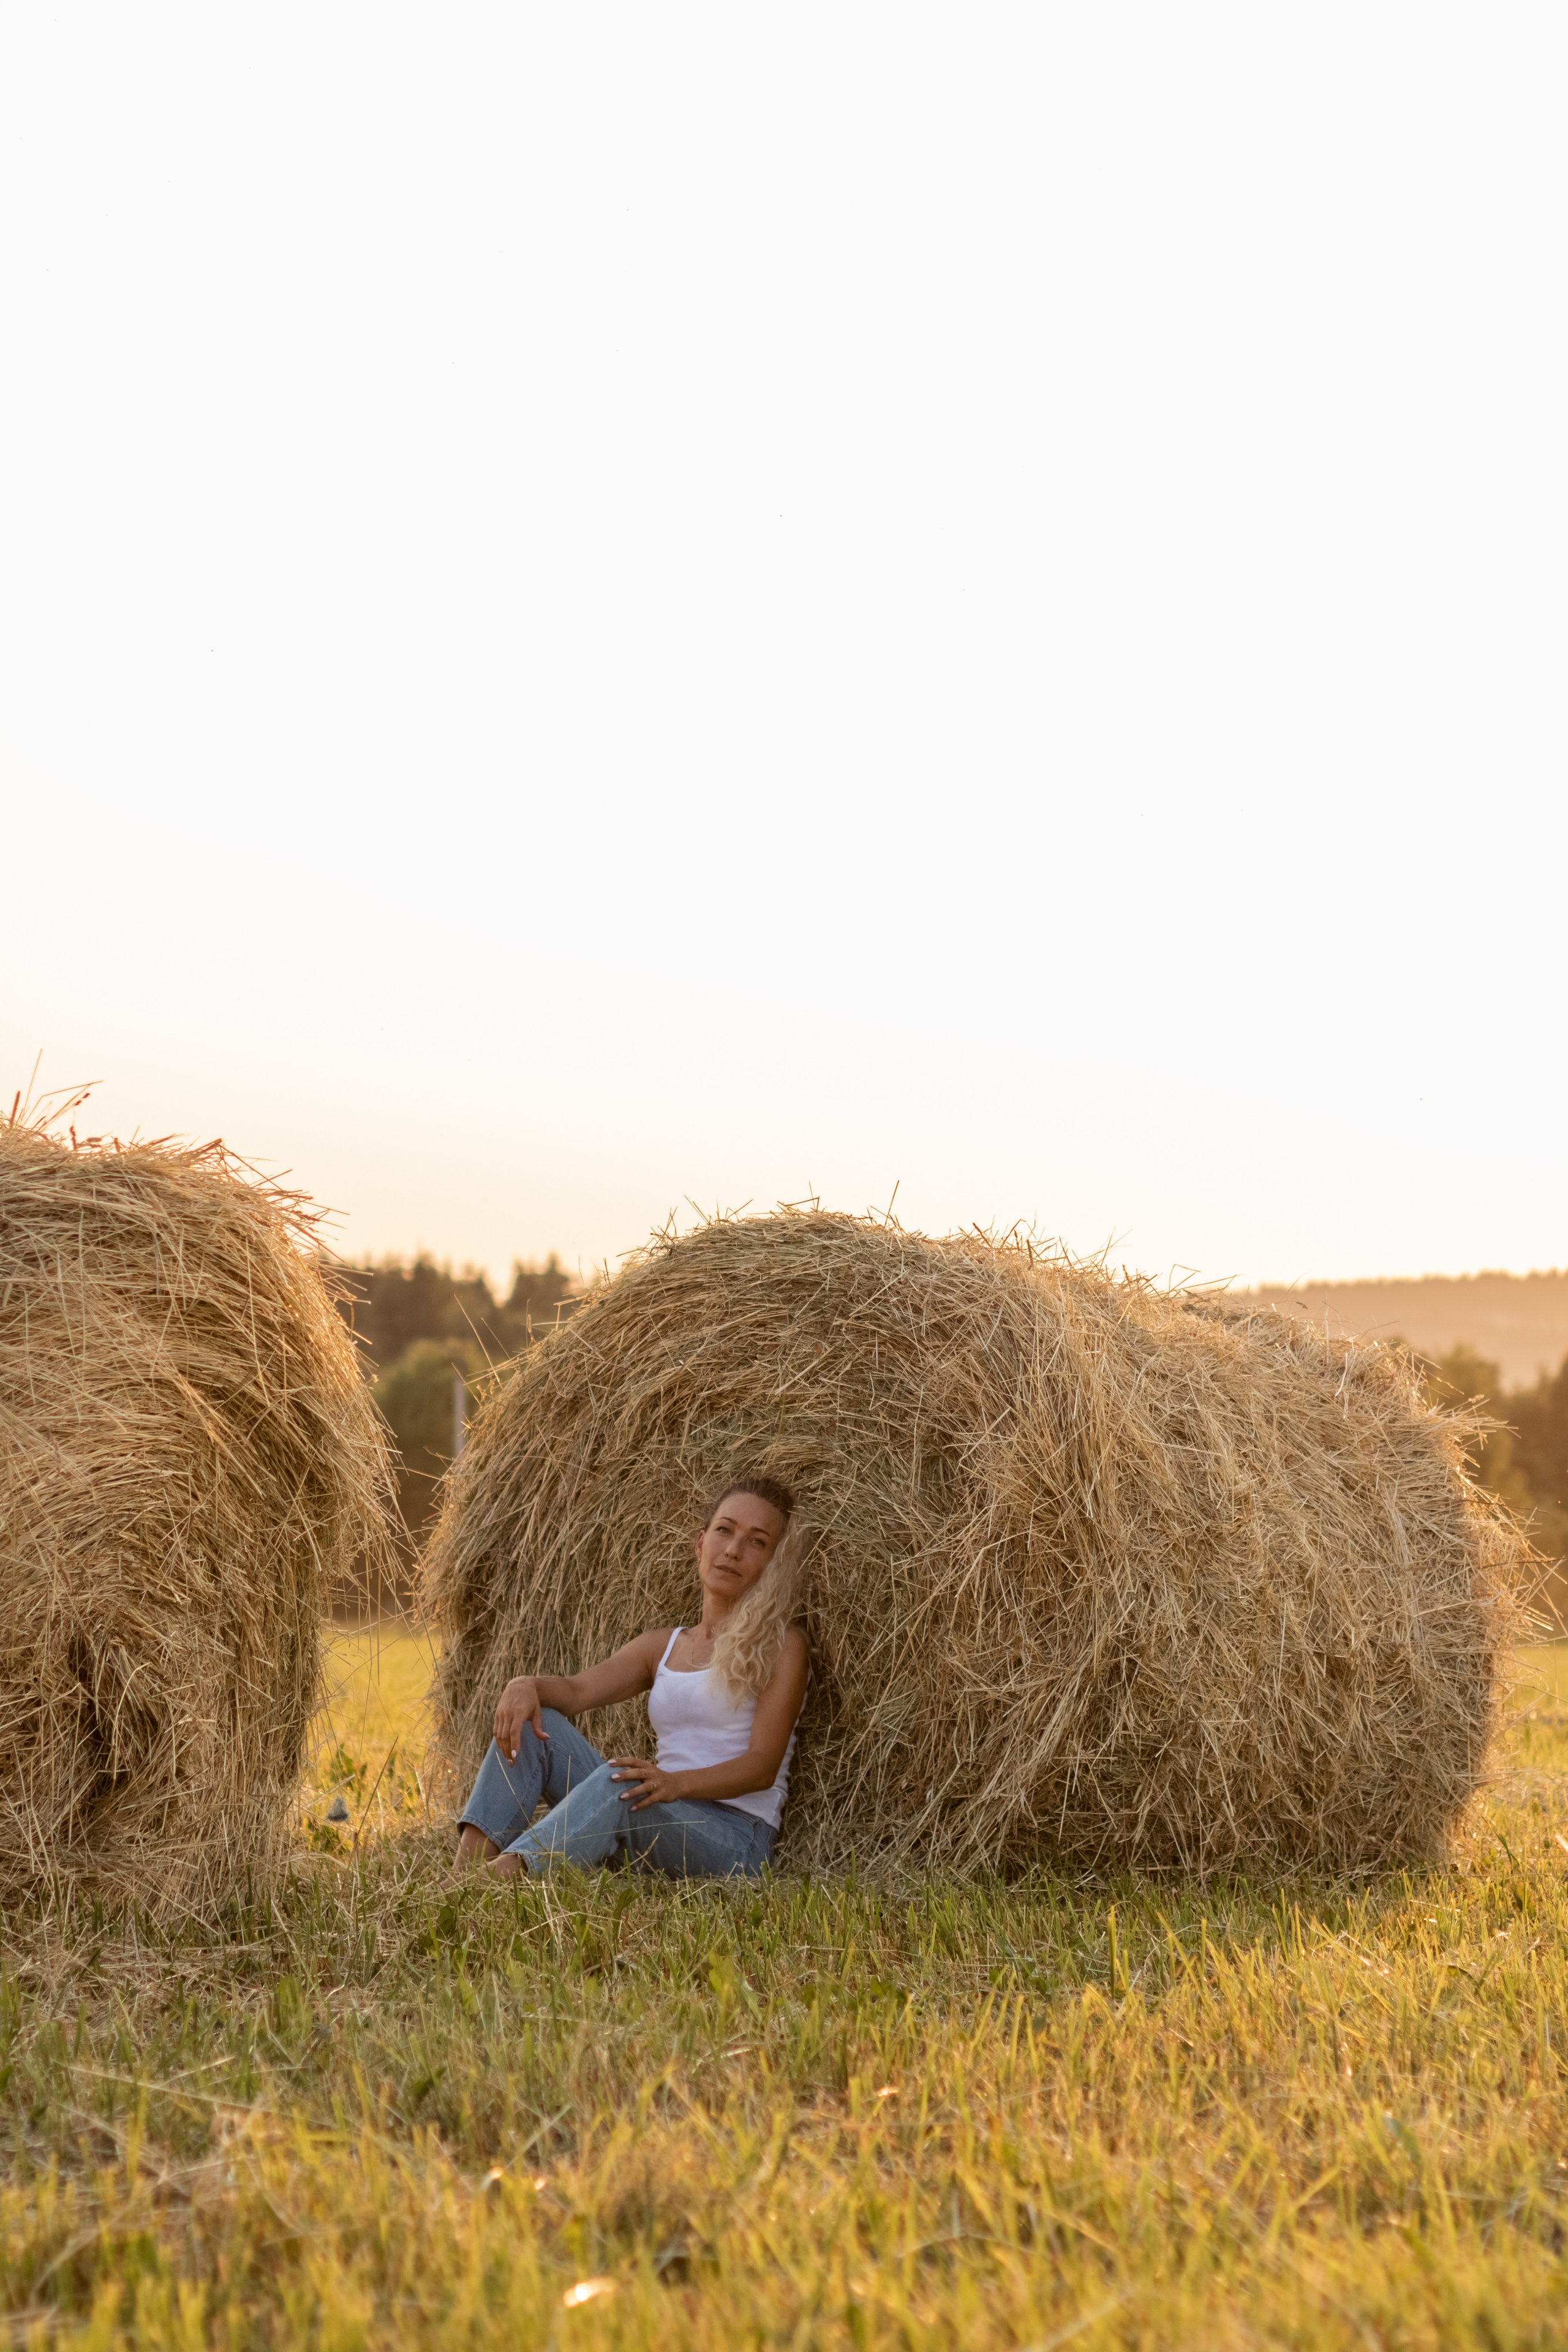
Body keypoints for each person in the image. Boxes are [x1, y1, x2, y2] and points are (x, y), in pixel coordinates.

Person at [451, 1474, 807, 1882]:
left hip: (734, 1840)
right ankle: (464, 1875)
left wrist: (675, 1785)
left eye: (757, 1542)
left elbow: (762, 1767)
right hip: (656, 1816)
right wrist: (523, 1686)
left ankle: (501, 1879)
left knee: (619, 1779)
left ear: (774, 1563)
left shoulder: (782, 1645)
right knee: (537, 1725)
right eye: (724, 1531)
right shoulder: (663, 1646)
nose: (733, 1550)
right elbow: (576, 1690)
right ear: (700, 1543)